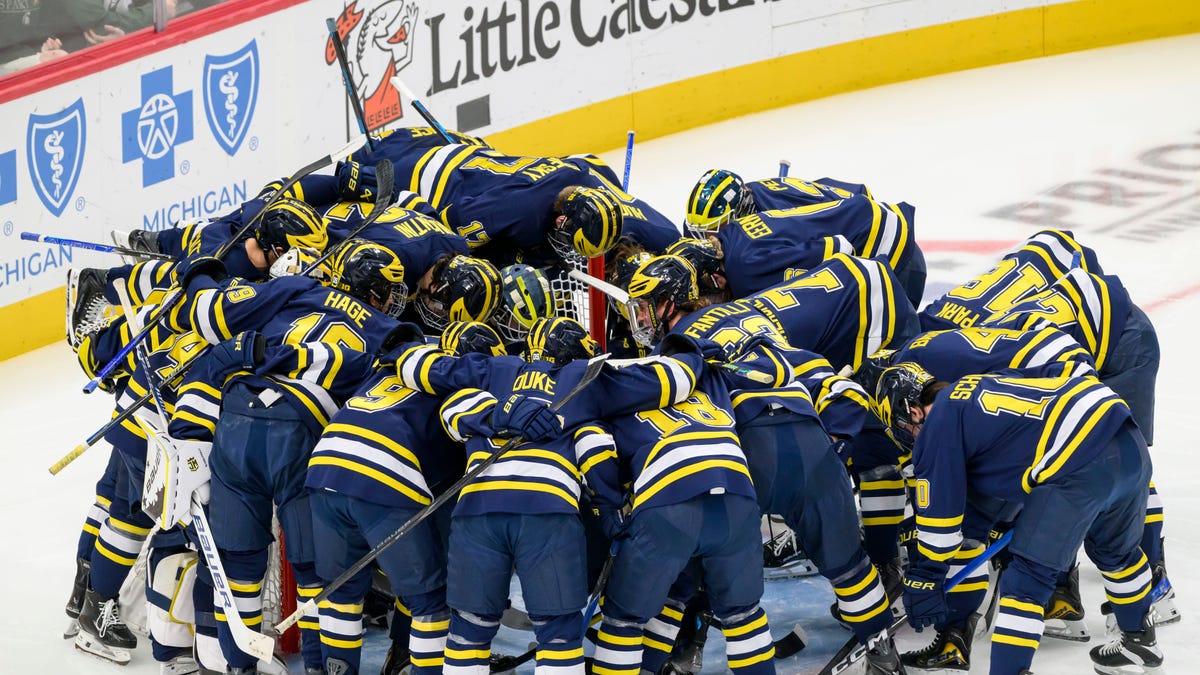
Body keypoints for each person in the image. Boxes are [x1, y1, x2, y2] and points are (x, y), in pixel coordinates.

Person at [166, 240, 418, 674]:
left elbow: (212, 329)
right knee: (316, 574)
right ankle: (319, 669)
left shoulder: (296, 288)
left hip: (236, 423)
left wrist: (199, 268)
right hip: (302, 433)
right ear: (374, 293)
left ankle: (239, 667)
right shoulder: (388, 330)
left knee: (239, 569)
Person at [878, 362, 1162, 675]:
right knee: (1117, 553)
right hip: (1124, 433)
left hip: (1078, 461)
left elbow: (940, 524)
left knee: (1027, 579)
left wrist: (928, 574)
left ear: (912, 411)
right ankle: (1139, 639)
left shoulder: (938, 424)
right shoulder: (978, 383)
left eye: (902, 426)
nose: (909, 435)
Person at [304, 323, 504, 675]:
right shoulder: (463, 384)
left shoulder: (396, 362)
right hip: (384, 474)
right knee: (429, 599)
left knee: (340, 594)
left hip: (324, 465)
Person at [683, 169, 925, 305]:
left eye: (718, 228)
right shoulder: (755, 203)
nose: (708, 239)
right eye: (701, 231)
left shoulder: (768, 219)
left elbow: (838, 249)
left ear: (743, 210)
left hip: (889, 252)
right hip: (871, 225)